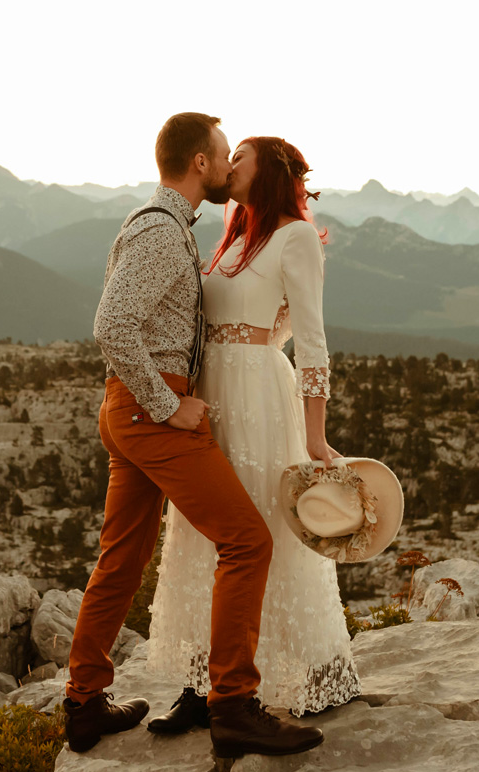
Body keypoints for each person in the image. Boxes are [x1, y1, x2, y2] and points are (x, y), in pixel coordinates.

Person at [64, 113, 324, 759]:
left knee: (121, 559)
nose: (229, 166)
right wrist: (167, 405)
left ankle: (84, 704)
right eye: (222, 154)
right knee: (246, 541)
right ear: (201, 164)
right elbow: (112, 327)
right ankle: (233, 703)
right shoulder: (160, 230)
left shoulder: (171, 227)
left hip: (130, 412)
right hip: (152, 412)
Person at [145, 136, 360, 733]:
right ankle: (200, 681)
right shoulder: (232, 238)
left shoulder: (293, 237)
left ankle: (271, 680)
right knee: (201, 533)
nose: (229, 164)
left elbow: (311, 340)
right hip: (211, 393)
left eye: (241, 157)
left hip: (260, 398)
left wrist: (315, 435)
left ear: (267, 172)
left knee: (258, 528)